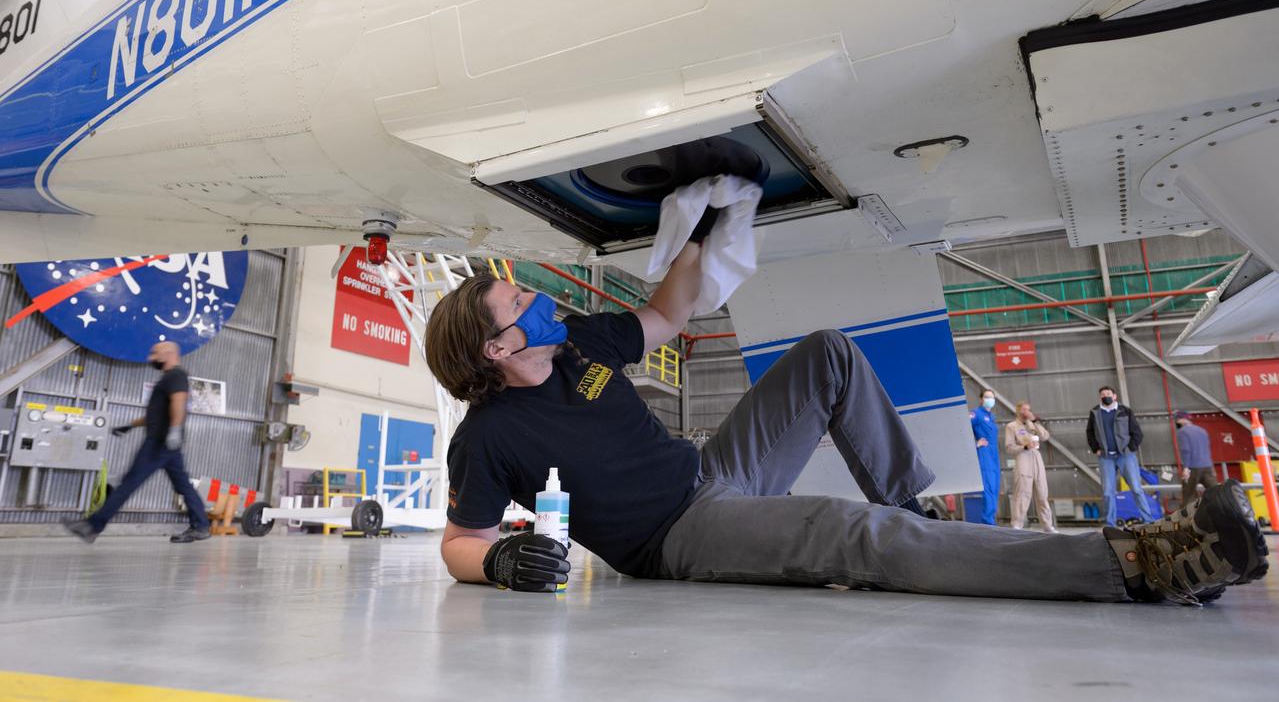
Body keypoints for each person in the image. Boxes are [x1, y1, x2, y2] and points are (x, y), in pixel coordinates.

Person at [424, 230, 1266, 606]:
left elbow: (670, 313)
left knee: (825, 351)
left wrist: (698, 228)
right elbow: (459, 538)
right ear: (496, 349)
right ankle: (1138, 565)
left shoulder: (580, 343)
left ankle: (914, 513)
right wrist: (496, 562)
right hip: (673, 538)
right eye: (519, 300)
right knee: (845, 533)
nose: (538, 298)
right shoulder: (492, 434)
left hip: (710, 469)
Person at [63, 342, 210, 544]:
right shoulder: (168, 378)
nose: (151, 358)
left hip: (159, 443)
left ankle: (92, 526)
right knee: (183, 486)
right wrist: (129, 425)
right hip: (166, 445)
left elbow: (179, 402)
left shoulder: (176, 376)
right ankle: (201, 526)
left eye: (154, 354)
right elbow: (155, 414)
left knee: (128, 484)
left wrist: (174, 430)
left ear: (168, 354)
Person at [1086, 386, 1158, 527]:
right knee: (1108, 492)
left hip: (1125, 456)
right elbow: (1089, 432)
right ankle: (1110, 524)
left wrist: (1131, 448)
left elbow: (1137, 432)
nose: (1105, 396)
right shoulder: (1095, 413)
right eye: (1102, 394)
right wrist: (1095, 448)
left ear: (1114, 396)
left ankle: (1148, 521)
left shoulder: (1125, 411)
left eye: (1108, 394)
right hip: (1106, 457)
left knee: (1136, 489)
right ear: (1099, 397)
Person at [1005, 402, 1055, 532]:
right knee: (1022, 493)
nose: (1027, 412)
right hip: (1023, 458)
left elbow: (1045, 436)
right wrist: (1024, 447)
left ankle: (1047, 525)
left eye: (1028, 409)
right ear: (1018, 411)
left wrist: (1035, 422)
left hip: (1037, 458)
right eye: (1024, 409)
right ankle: (1017, 524)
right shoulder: (1012, 426)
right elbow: (1009, 447)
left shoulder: (1033, 424)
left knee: (1042, 493)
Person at [969, 389, 1001, 525]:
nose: (990, 399)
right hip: (985, 453)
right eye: (987, 397)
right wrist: (975, 444)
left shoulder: (991, 417)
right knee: (988, 487)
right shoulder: (976, 414)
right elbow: (962, 429)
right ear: (981, 399)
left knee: (995, 487)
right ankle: (988, 523)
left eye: (992, 397)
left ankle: (991, 519)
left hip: (994, 454)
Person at [1175, 410, 1218, 508]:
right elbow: (1207, 449)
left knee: (1188, 497)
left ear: (1181, 420)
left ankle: (1187, 521)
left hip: (1192, 468)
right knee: (1216, 493)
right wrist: (1212, 467)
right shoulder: (1202, 430)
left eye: (1177, 420)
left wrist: (1186, 468)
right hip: (1207, 466)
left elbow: (1186, 450)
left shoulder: (1182, 432)